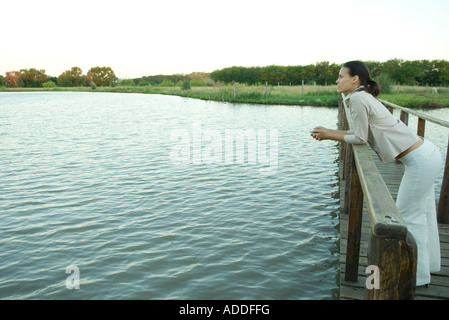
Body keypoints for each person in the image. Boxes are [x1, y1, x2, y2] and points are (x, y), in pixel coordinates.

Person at [311, 61, 442, 287]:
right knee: (421, 214)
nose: (337, 80)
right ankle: (426, 269)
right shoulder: (362, 96)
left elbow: (360, 138)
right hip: (427, 154)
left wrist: (329, 136)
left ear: (355, 79)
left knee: (405, 219)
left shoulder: (358, 98)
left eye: (341, 76)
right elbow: (360, 132)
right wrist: (330, 131)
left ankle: (416, 278)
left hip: (420, 162)